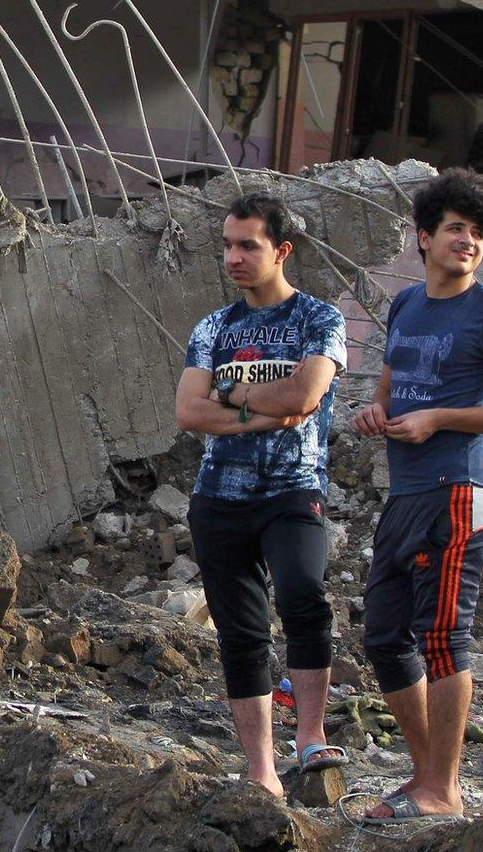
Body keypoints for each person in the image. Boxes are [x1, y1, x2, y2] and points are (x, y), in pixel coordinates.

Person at [351, 167, 483, 824]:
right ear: (424, 237)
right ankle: (429, 777)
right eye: (456, 228)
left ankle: (441, 787)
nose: (469, 241)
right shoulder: (405, 306)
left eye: (479, 233)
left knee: (442, 638)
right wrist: (376, 416)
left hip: (461, 488)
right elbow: (387, 387)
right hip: (407, 493)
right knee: (381, 635)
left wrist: (441, 418)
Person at [173, 192, 348, 798]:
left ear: (282, 250)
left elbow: (306, 397)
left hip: (292, 490)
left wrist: (228, 398)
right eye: (227, 245)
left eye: (248, 245)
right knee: (241, 632)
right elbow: (187, 412)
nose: (234, 257)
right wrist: (261, 411)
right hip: (219, 497)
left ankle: (310, 735)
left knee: (303, 593)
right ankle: (262, 771)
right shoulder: (213, 327)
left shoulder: (319, 320)